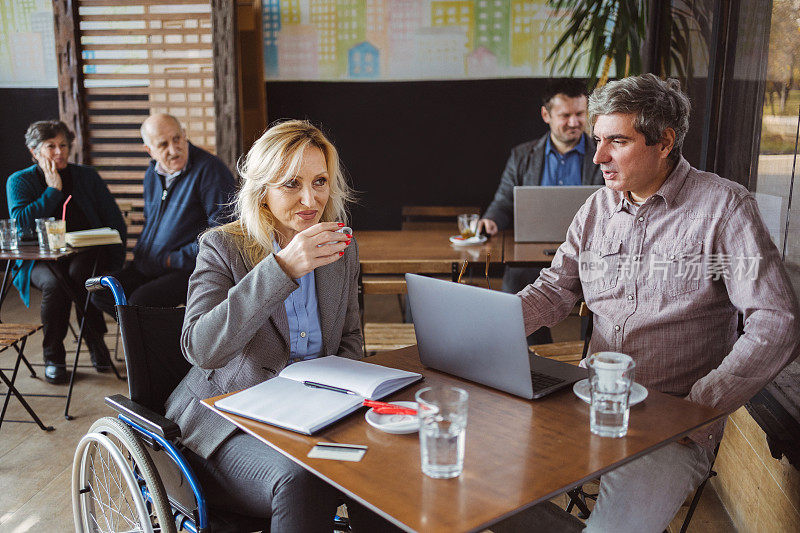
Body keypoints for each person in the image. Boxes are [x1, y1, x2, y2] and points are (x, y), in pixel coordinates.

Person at [501, 74, 800, 532]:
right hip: (587, 404)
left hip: (673, 424)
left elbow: (776, 323)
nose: (598, 156)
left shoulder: (724, 208)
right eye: (598, 140)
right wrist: (493, 325)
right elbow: (555, 289)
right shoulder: (597, 208)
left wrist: (701, 405)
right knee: (479, 487)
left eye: (616, 141)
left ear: (664, 142)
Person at [163, 120, 393, 531]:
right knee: (304, 478)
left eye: (320, 181)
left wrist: (336, 398)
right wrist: (282, 268)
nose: (311, 198)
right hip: (228, 427)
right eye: (291, 184)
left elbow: (351, 339)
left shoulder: (341, 245)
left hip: (314, 417)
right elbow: (202, 349)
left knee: (388, 460)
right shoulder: (223, 246)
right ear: (263, 190)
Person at [478, 79, 603, 344]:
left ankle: (588, 351)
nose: (574, 122)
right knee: (515, 284)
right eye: (565, 115)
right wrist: (491, 219)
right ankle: (537, 357)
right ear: (546, 115)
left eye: (580, 114)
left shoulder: (601, 153)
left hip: (588, 252)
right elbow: (503, 200)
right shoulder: (522, 155)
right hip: (532, 255)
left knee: (600, 291)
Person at [7, 120, 127, 384]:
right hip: (37, 259)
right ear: (34, 152)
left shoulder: (86, 176)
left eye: (63, 145)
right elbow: (21, 224)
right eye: (51, 146)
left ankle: (93, 345)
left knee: (82, 275)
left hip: (85, 253)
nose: (59, 152)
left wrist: (116, 261)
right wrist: (52, 191)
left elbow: (113, 219)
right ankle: (55, 356)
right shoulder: (19, 181)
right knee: (55, 285)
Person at [92, 113, 236, 317]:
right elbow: (152, 221)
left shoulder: (210, 169)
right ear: (149, 151)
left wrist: (174, 259)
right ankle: (148, 339)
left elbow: (223, 232)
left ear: (184, 135)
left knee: (139, 303)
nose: (173, 149)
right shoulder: (152, 174)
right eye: (163, 144)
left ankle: (160, 341)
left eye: (177, 139)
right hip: (148, 264)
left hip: (189, 268)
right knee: (100, 293)